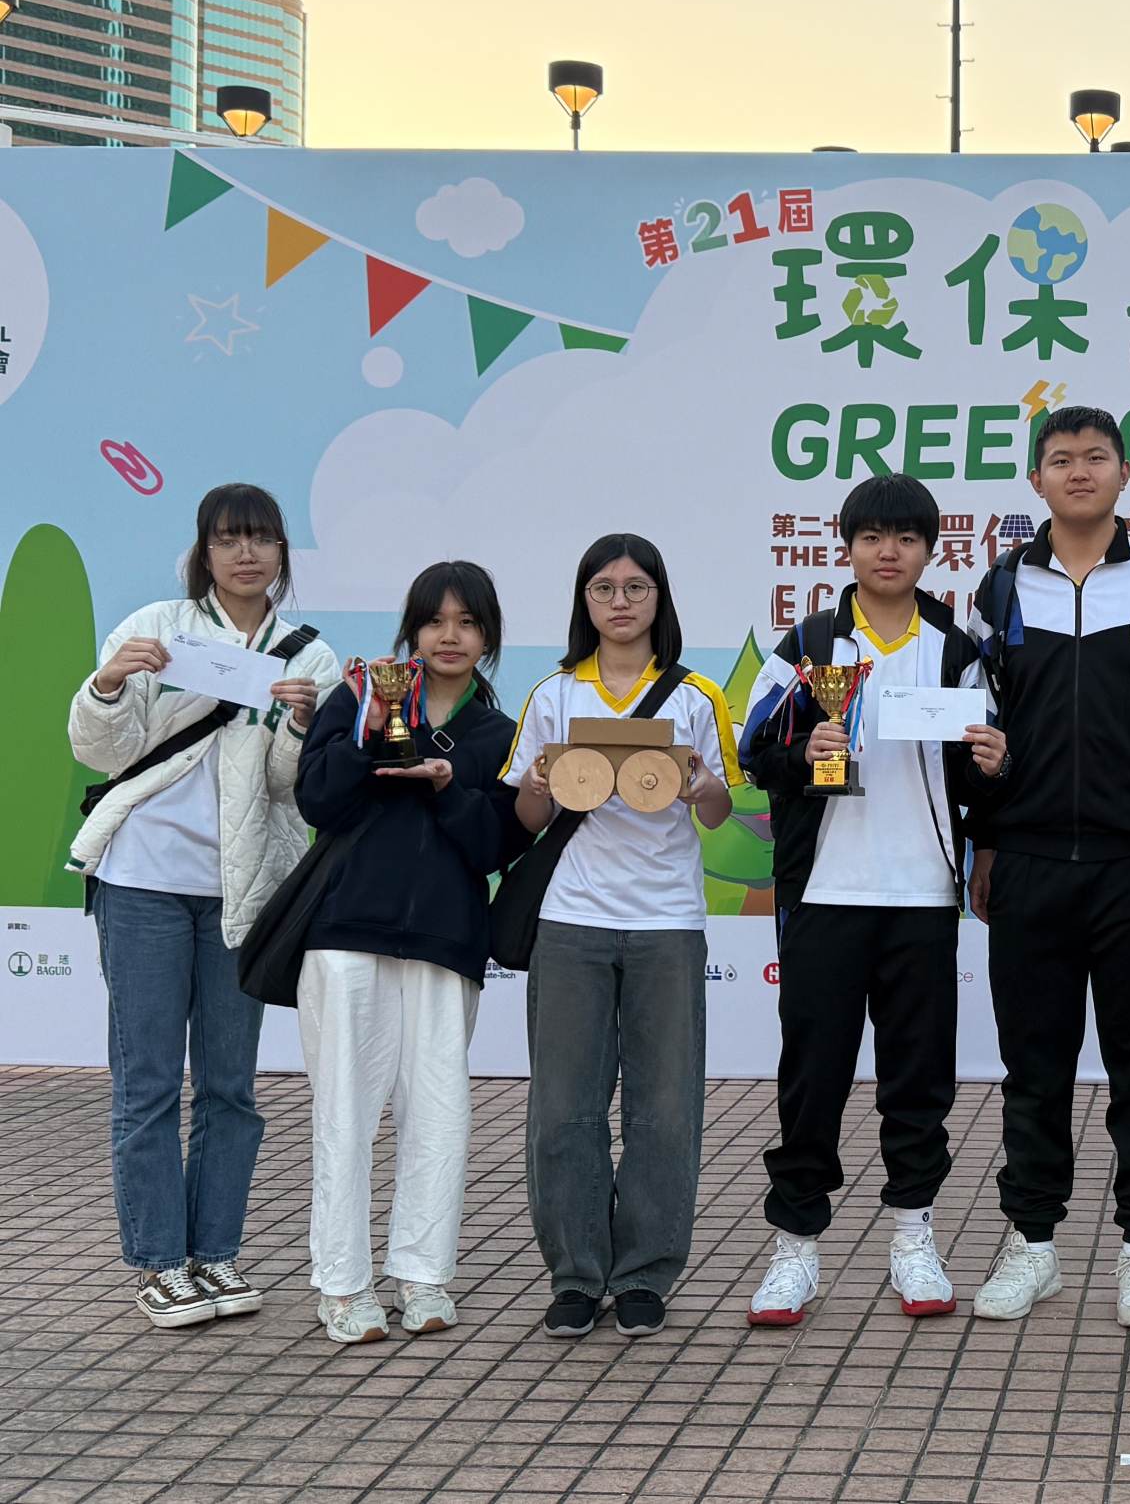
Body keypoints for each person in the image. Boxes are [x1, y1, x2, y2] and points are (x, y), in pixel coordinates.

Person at [964, 406, 1130, 1329]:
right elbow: (976, 734)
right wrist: (985, 840)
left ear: (1124, 475)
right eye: (1060, 460)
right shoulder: (997, 591)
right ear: (1035, 480)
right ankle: (1031, 1244)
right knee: (1031, 1068)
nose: (1078, 472)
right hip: (1030, 862)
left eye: (1096, 458)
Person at [67, 482, 340, 1327]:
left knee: (230, 1086)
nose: (245, 553)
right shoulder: (156, 628)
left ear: (283, 554)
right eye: (228, 539)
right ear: (203, 551)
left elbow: (291, 791)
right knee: (145, 1082)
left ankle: (215, 1255)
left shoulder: (310, 658)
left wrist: (299, 727)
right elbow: (100, 749)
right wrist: (109, 683)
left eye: (261, 538)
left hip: (240, 890)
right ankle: (157, 1262)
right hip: (142, 880)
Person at [738, 475, 1007, 1326]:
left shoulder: (955, 647)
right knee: (810, 1076)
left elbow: (974, 773)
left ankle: (913, 1236)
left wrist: (992, 760)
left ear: (932, 551)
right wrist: (799, 743)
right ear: (845, 546)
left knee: (916, 1078)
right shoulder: (811, 641)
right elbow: (754, 750)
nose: (888, 552)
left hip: (922, 893)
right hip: (824, 891)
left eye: (905, 537)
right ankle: (796, 1250)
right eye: (872, 536)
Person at [501, 533, 741, 1340]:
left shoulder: (697, 697)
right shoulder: (552, 696)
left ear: (659, 600)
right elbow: (527, 818)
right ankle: (575, 1276)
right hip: (571, 921)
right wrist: (538, 786)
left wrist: (705, 784)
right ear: (584, 602)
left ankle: (643, 1275)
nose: (620, 601)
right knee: (563, 1110)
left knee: (664, 1111)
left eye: (636, 587)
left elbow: (716, 813)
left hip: (668, 922)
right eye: (603, 587)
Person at [294, 562, 532, 1344]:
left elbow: (497, 843)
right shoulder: (358, 699)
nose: (450, 636)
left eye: (467, 623)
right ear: (412, 630)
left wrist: (443, 786)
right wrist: (371, 741)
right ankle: (343, 1287)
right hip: (345, 936)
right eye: (435, 621)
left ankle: (423, 1278)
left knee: (438, 1114)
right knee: (345, 1113)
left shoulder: (501, 734)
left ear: (488, 637)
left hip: (445, 941)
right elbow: (316, 800)